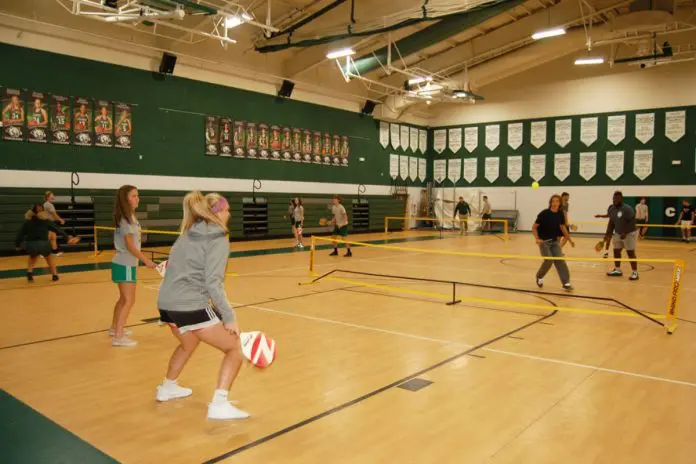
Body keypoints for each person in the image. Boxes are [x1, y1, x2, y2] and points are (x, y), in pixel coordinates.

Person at [156, 191, 249, 421]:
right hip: (189, 304)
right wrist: (228, 316)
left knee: (189, 341)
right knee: (234, 348)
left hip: (166, 303)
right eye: (227, 209)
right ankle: (219, 404)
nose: (230, 213)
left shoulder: (187, 233)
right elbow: (213, 283)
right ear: (219, 213)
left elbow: (170, 266)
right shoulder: (218, 238)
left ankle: (167, 387)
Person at [110, 185, 156, 347]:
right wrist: (146, 260)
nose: (138, 199)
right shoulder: (126, 220)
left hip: (124, 263)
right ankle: (119, 336)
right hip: (126, 264)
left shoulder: (129, 217)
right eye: (134, 196)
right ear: (125, 199)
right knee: (129, 300)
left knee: (123, 299)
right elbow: (130, 246)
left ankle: (115, 328)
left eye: (138, 195)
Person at [15, 204, 76, 282]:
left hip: (31, 245)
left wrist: (17, 245)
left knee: (32, 256)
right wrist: (67, 238)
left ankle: (29, 273)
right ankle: (55, 275)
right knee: (49, 258)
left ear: (31, 212)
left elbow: (20, 235)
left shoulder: (27, 222)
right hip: (44, 245)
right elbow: (58, 230)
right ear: (43, 211)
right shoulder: (46, 221)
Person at [532, 194, 575, 291]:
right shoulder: (544, 213)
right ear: (550, 202)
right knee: (549, 260)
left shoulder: (560, 214)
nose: (555, 203)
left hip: (555, 242)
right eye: (553, 201)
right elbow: (534, 227)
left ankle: (566, 283)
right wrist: (537, 238)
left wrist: (570, 240)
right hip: (544, 242)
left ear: (560, 203)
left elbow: (563, 228)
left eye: (557, 201)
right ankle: (539, 276)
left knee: (560, 260)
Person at [605, 191, 639, 281]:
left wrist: (625, 232)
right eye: (613, 198)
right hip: (618, 233)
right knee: (616, 251)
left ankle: (635, 272)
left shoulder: (627, 208)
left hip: (629, 233)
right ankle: (617, 270)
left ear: (621, 199)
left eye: (616, 198)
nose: (614, 200)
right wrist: (608, 234)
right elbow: (611, 222)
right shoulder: (611, 208)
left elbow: (632, 222)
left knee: (630, 252)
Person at [43, 191, 65, 256]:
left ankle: (55, 251)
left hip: (49, 223)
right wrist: (61, 220)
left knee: (53, 237)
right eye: (51, 196)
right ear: (47, 197)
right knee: (49, 237)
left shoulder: (46, 204)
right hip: (49, 223)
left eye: (53, 195)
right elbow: (54, 214)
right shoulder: (49, 205)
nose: (53, 197)